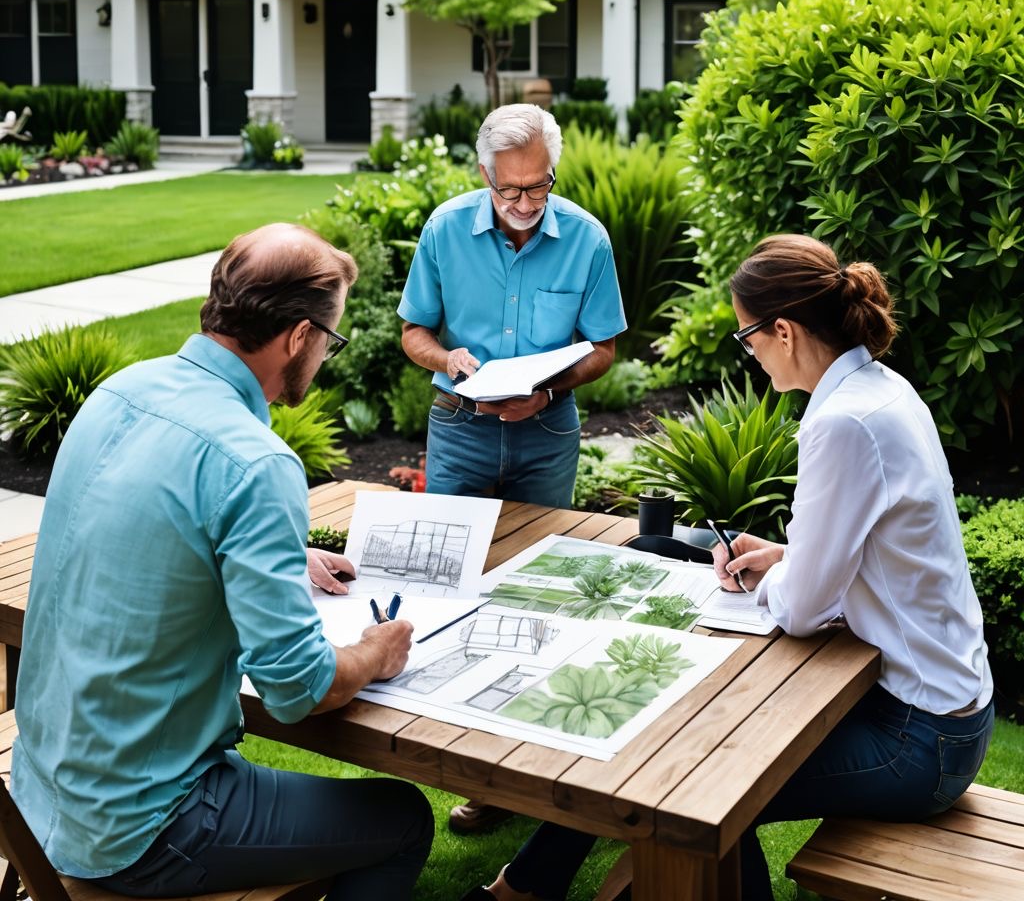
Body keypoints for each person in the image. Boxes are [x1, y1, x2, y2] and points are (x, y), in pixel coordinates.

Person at [460, 233, 994, 901]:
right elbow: (873, 555)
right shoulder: (881, 392)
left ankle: (535, 887)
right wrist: (787, 559)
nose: (749, 354)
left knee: (708, 791)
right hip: (939, 705)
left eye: (747, 338)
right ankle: (532, 884)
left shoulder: (844, 424)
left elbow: (800, 612)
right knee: (670, 748)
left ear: (784, 331)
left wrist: (777, 579)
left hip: (923, 740)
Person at [12, 223, 434, 900]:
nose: (325, 354)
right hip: (145, 825)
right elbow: (298, 689)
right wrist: (376, 652)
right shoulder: (255, 461)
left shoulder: (119, 392)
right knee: (405, 817)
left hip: (42, 793)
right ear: (299, 336)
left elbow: (136, 521)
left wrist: (265, 555)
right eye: (330, 339)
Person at [399, 102, 627, 836]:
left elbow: (603, 348)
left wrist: (551, 389)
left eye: (539, 186)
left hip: (545, 433)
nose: (526, 203)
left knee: (539, 597)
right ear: (485, 175)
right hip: (460, 428)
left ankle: (536, 770)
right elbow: (414, 331)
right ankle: (472, 771)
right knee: (455, 594)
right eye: (511, 190)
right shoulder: (444, 229)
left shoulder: (586, 239)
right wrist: (448, 359)